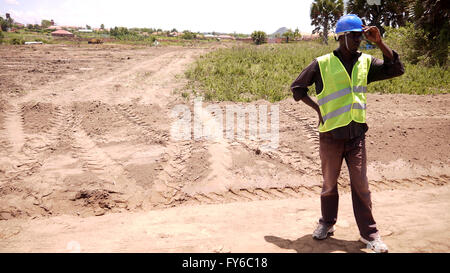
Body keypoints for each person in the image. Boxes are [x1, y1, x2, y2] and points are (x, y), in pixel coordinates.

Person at [290, 14, 404, 253]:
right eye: (353, 36)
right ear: (341, 37)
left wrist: (380, 43)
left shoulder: (366, 62)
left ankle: (370, 234)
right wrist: (318, 108)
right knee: (329, 184)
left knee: (361, 185)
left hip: (356, 136)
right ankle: (327, 223)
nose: (357, 40)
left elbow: (396, 69)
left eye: (360, 36)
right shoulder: (322, 63)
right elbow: (298, 89)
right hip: (331, 135)